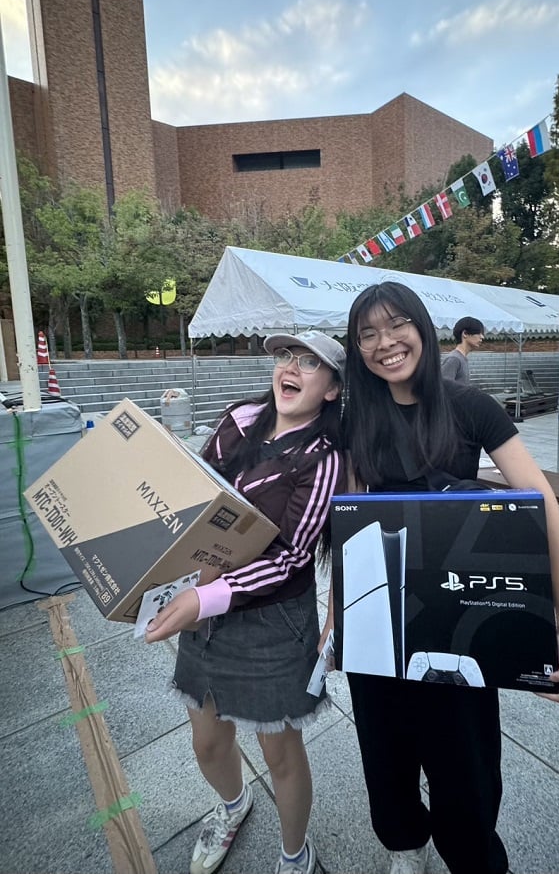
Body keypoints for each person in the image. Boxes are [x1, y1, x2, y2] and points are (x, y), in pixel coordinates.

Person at [337, 282, 559, 874]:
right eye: (366, 334)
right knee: (385, 756)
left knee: (465, 769)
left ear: (422, 327)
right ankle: (404, 848)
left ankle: (472, 857)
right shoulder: (356, 419)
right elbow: (349, 531)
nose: (383, 344)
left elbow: (542, 507)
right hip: (379, 624)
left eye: (395, 326)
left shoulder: (469, 406)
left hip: (456, 621)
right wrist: (335, 627)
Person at [146, 330, 346, 874]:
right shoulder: (239, 420)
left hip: (273, 621)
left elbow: (291, 558)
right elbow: (197, 495)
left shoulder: (323, 457)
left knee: (279, 752)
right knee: (208, 740)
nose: (292, 368)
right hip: (204, 607)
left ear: (331, 390)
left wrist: (202, 598)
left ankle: (295, 853)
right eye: (286, 356)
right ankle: (234, 805)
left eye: (310, 363)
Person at [440, 315, 485, 386]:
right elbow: (444, 388)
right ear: (465, 333)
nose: (482, 337)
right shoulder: (454, 359)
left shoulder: (462, 358)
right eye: (479, 333)